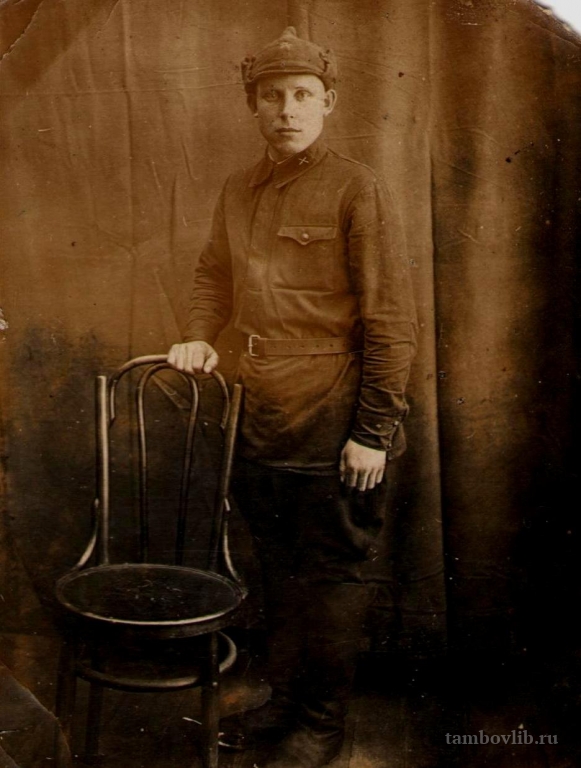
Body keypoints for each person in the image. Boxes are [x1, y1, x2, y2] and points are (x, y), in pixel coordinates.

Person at [168, 26, 417, 768]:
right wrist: (199, 334)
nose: (287, 109)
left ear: (328, 102)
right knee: (276, 570)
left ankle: (321, 724)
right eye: (271, 96)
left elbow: (391, 321)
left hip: (332, 418)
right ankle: (282, 703)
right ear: (253, 106)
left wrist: (372, 432)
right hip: (257, 418)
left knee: (330, 578)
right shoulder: (237, 188)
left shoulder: (356, 187)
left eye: (303, 94)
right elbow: (213, 275)